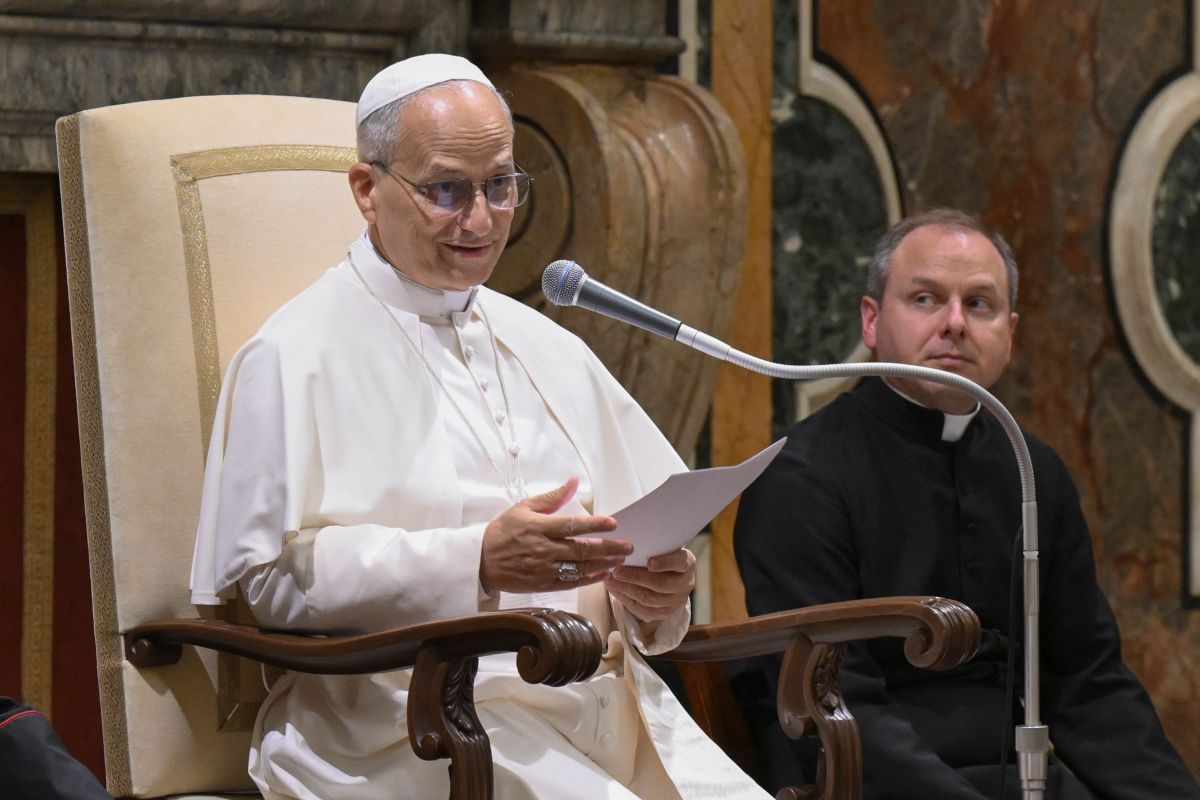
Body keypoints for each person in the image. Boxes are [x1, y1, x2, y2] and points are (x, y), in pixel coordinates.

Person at [188, 53, 768, 800]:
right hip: (407, 723)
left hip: (604, 715)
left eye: (500, 185)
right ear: (366, 190)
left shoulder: (549, 344)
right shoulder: (292, 354)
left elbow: (637, 551)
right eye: (446, 190)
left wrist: (655, 599)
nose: (482, 220)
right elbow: (270, 582)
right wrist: (479, 561)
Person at [734, 209, 1200, 799]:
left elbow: (1087, 682)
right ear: (871, 320)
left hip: (1023, 780)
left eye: (979, 304)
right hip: (868, 781)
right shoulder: (800, 474)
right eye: (925, 299)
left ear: (1011, 331)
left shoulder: (1031, 469)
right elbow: (836, 701)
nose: (955, 323)